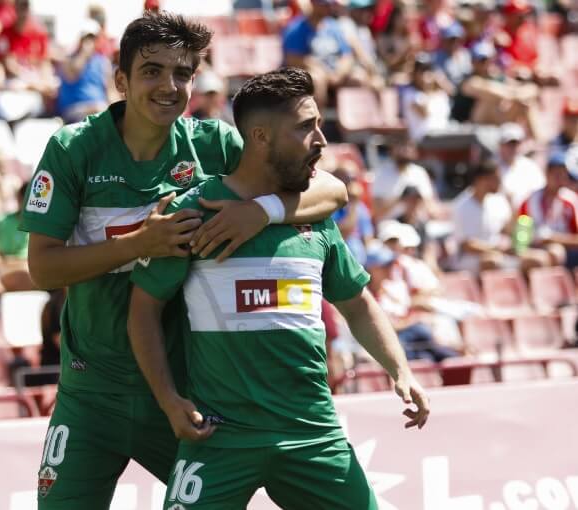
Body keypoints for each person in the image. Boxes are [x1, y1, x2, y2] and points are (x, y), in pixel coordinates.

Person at [22, 11, 349, 509]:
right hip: (91, 394)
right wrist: (137, 243)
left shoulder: (213, 144)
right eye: (152, 70)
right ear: (121, 80)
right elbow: (42, 268)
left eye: (183, 72)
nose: (168, 85)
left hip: (180, 392)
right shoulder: (73, 149)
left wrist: (259, 212)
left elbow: (331, 188)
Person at [127, 67, 429, 509]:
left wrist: (400, 369)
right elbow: (143, 311)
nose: (321, 141)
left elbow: (358, 304)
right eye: (306, 127)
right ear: (261, 137)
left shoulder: (313, 215)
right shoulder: (195, 211)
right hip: (219, 438)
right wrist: (170, 400)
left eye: (320, 125)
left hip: (312, 433)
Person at [451, 158, 550, 273]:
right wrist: (497, 249)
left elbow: (508, 231)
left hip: (497, 253)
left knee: (539, 259)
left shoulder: (497, 201)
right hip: (470, 259)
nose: (500, 182)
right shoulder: (462, 206)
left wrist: (513, 206)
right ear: (481, 180)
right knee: (493, 262)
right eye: (496, 178)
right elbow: (467, 246)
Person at [282, 0, 356, 105]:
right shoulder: (297, 28)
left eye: (330, 4)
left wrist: (340, 73)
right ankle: (318, 120)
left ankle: (355, 120)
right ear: (313, 4)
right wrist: (325, 73)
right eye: (325, 5)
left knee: (359, 79)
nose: (328, 8)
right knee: (317, 79)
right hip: (312, 73)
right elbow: (294, 59)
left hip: (335, 73)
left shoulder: (333, 26)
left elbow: (347, 55)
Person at [519, 152, 578, 267]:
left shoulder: (571, 201)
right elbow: (521, 237)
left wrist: (553, 239)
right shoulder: (530, 200)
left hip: (568, 254)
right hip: (535, 250)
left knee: (556, 252)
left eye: (563, 174)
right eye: (556, 174)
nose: (560, 178)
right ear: (547, 173)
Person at [56, 20, 114, 123]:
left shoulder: (103, 62)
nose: (89, 42)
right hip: (73, 110)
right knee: (98, 110)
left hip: (99, 108)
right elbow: (72, 75)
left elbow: (109, 92)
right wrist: (83, 54)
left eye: (92, 38)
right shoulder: (68, 60)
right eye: (86, 38)